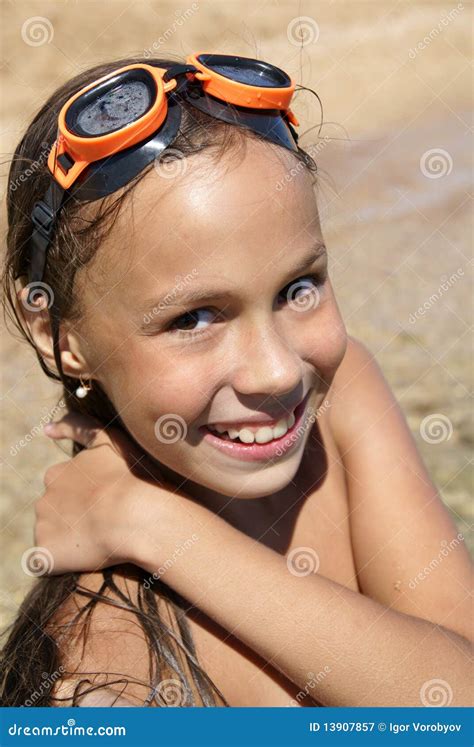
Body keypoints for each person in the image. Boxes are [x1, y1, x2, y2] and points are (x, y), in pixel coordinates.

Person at [1, 53, 471, 708]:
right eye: (194, 316)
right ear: (64, 334)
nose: (279, 369)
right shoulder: (102, 669)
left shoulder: (340, 396)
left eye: (298, 287)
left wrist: (152, 524)